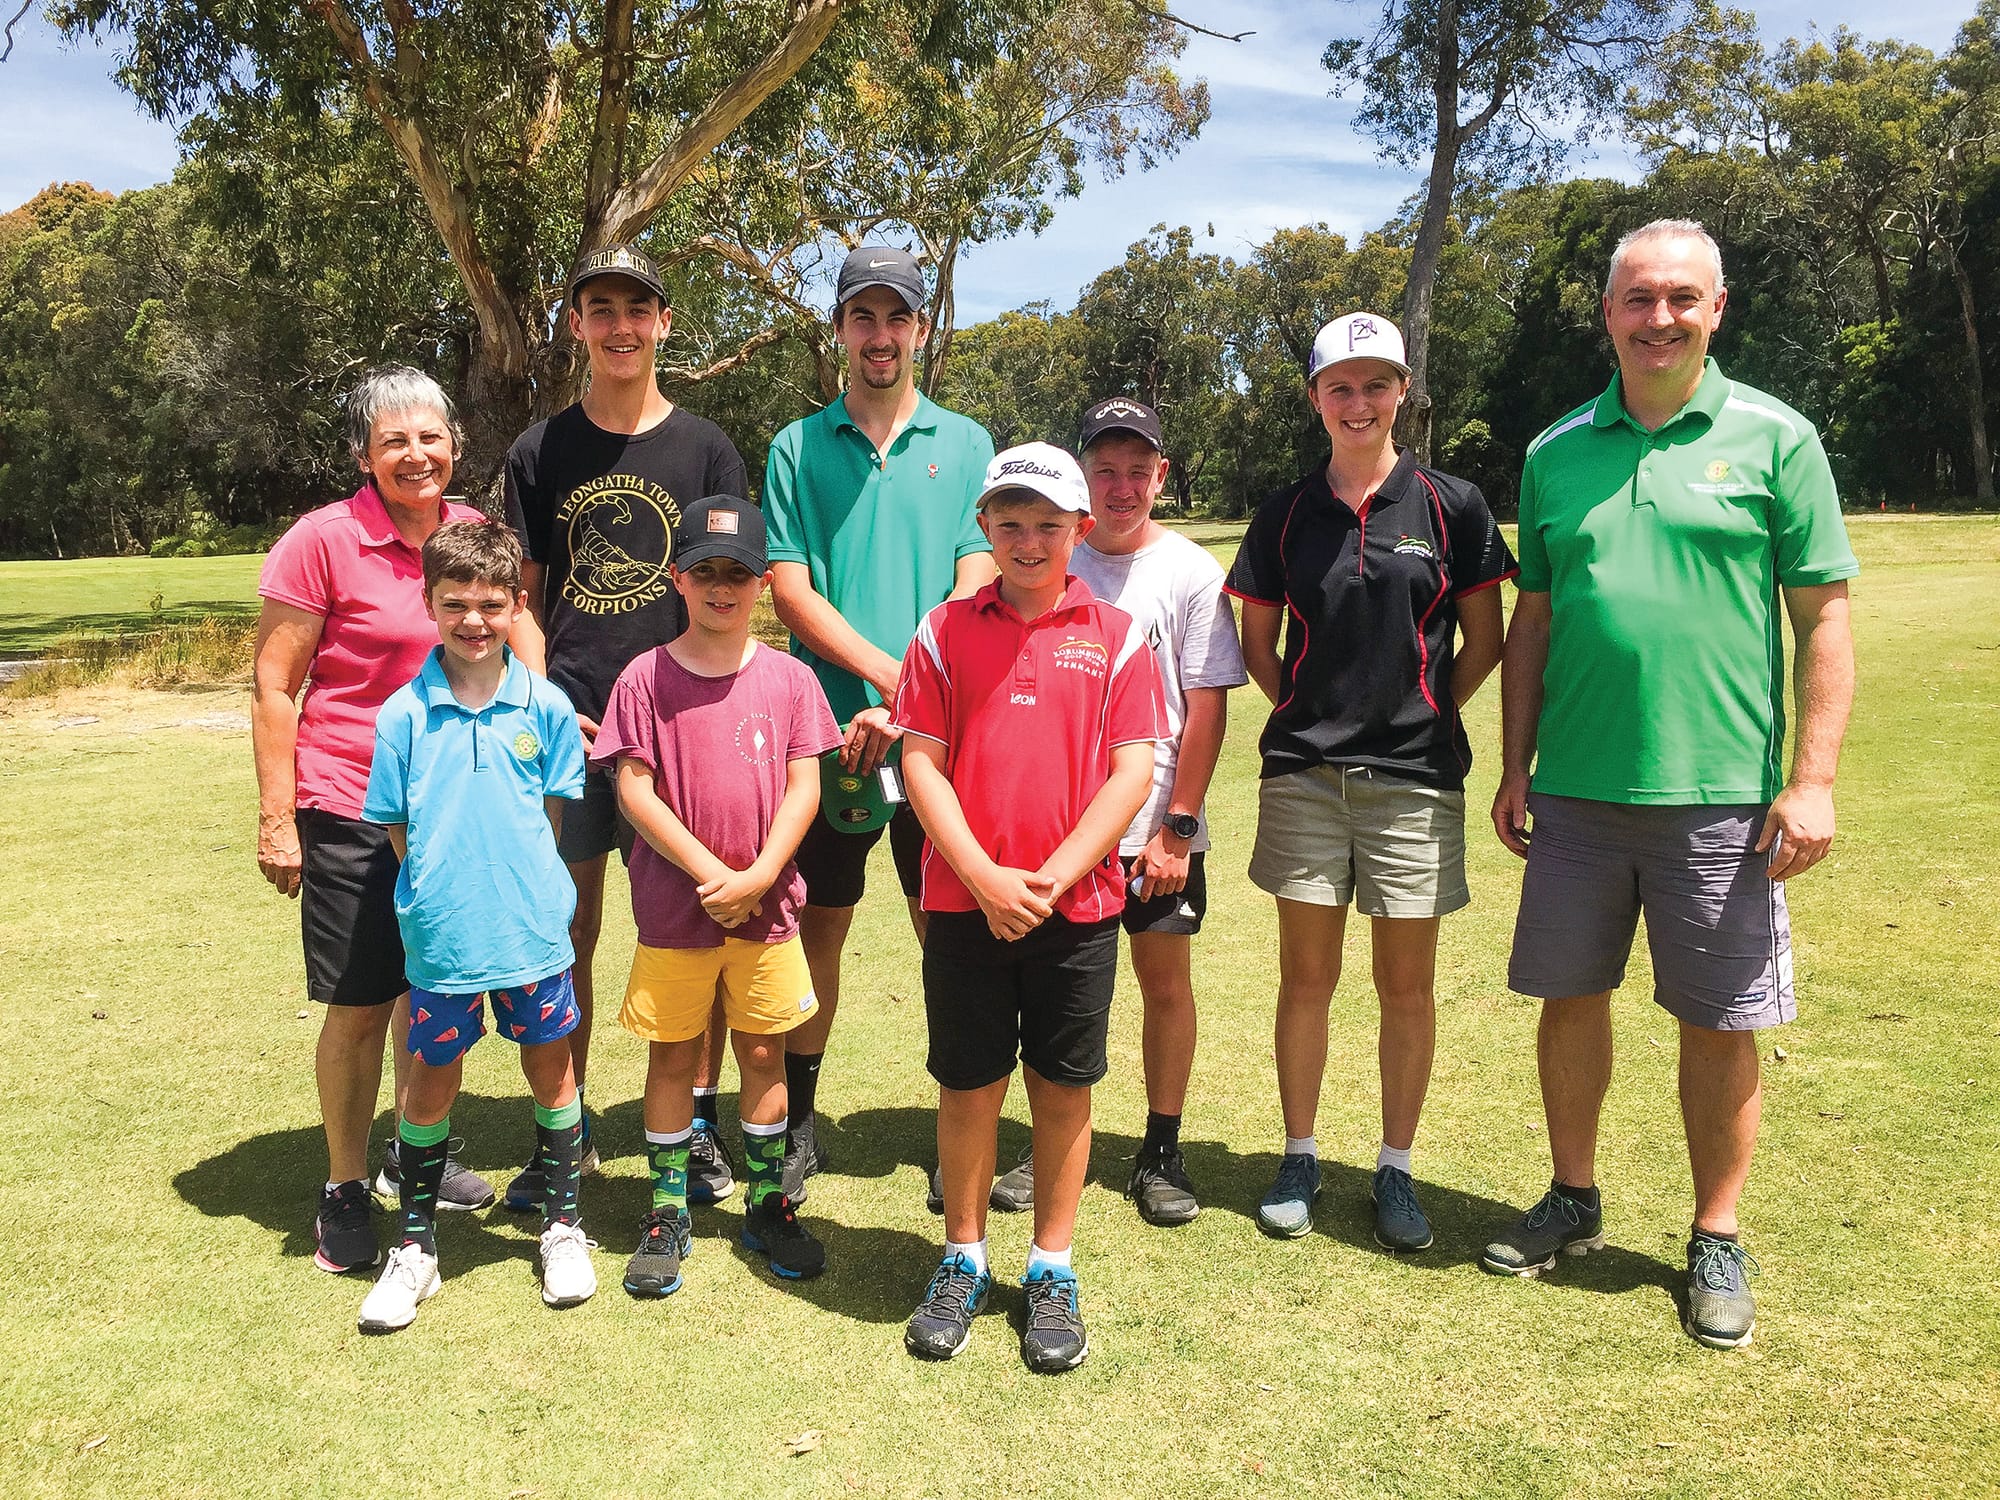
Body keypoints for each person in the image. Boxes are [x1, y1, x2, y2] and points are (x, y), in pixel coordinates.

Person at [1482, 220, 1857, 1350]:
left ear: (1716, 308)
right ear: (1607, 314)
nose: (1659, 318)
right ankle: (1572, 1195)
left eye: (1681, 298)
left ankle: (1716, 1233)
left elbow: (1822, 617)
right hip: (1577, 793)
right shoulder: (1555, 452)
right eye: (1638, 298)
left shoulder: (1777, 438)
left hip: (1721, 795)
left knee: (1720, 1018)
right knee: (1568, 998)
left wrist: (1813, 779)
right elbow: (1534, 621)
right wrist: (1514, 765)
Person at [1224, 313, 1515, 1251]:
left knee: (1406, 988)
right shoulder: (1285, 513)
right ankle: (1299, 1155)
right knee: (1306, 980)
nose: (1359, 403)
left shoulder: (1452, 504)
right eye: (1340, 387)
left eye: (1376, 384)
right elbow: (1257, 645)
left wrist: (1422, 712)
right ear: (1316, 398)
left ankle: (1395, 1167)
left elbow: (1486, 640)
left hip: (1415, 781)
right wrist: (1308, 711)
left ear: (1403, 392)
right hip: (1305, 778)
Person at [894, 443, 1164, 1373]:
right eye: (1010, 522)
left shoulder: (1118, 634)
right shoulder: (941, 631)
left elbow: (1132, 771)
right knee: (969, 1084)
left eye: (1049, 523)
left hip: (1075, 909)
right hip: (964, 904)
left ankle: (1051, 1265)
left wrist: (1048, 879)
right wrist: (983, 877)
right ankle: (963, 1257)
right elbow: (921, 762)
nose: (1029, 540)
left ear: (1080, 530)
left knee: (1062, 1085)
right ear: (984, 526)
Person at [504, 243, 749, 1211]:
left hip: (680, 728)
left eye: (636, 309)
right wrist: (546, 698)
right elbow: (521, 596)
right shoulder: (539, 452)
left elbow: (727, 592)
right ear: (576, 325)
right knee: (566, 932)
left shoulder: (706, 450)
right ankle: (562, 1137)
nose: (619, 326)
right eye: (599, 308)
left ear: (663, 323)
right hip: (568, 730)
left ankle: (697, 1128)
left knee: (695, 926)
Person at [763, 245, 999, 1204]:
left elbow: (976, 579)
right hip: (828, 735)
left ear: (921, 328)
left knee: (948, 933)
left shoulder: (968, 443)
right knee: (820, 927)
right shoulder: (797, 445)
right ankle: (799, 1124)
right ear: (841, 329)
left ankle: (962, 1137)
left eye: (896, 317)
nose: (880, 335)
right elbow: (789, 589)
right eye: (862, 317)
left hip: (942, 738)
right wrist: (891, 680)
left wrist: (914, 700)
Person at [253, 366, 498, 1277]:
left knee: (430, 993)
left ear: (454, 444)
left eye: (430, 436)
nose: (416, 454)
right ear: (365, 454)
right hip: (350, 800)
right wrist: (278, 818)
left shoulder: (471, 532)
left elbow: (509, 643)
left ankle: (411, 1152)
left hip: (452, 805)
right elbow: (275, 686)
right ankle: (346, 1187)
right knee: (359, 1004)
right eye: (394, 440)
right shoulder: (322, 541)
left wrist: (554, 715)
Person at [591, 496, 843, 1294]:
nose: (722, 588)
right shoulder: (644, 678)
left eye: (739, 573)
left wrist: (760, 875)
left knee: (764, 1052)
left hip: (768, 912)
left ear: (764, 583)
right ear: (678, 579)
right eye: (706, 572)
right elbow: (634, 790)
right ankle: (667, 1209)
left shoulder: (792, 679)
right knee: (674, 1055)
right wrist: (713, 875)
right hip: (677, 912)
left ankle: (768, 1202)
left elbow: (805, 786)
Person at [354, 522, 592, 1330]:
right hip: (444, 937)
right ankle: (414, 1248)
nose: (473, 621)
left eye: (491, 604)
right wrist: (436, 892)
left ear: (518, 604)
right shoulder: (401, 715)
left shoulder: (547, 706)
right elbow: (399, 827)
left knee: (552, 1072)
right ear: (428, 603)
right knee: (431, 1081)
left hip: (530, 932)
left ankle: (563, 1228)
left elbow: (550, 817)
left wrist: (525, 890)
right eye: (454, 603)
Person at [1068, 396, 1247, 1226]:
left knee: (1164, 985)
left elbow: (1205, 708)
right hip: (1066, 831)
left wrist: (1178, 828)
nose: (1121, 487)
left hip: (1157, 833)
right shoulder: (1049, 558)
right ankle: (1052, 1142)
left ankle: (1161, 1150)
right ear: (1081, 476)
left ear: (1162, 476)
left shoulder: (1191, 572)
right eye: (1105, 470)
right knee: (1063, 991)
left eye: (1137, 471)